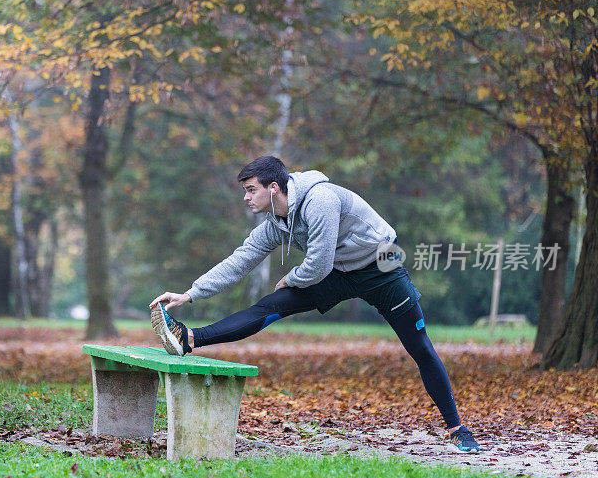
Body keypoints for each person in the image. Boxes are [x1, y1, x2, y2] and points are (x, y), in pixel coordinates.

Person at [149, 155, 481, 453]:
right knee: (270, 305)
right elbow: (241, 261)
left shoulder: (319, 200)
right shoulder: (276, 224)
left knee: (419, 345)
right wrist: (189, 293)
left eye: (251, 190)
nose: (246, 197)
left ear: (274, 187)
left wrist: (291, 277)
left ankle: (457, 428)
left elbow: (317, 265)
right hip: (338, 270)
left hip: (381, 263)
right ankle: (189, 338)